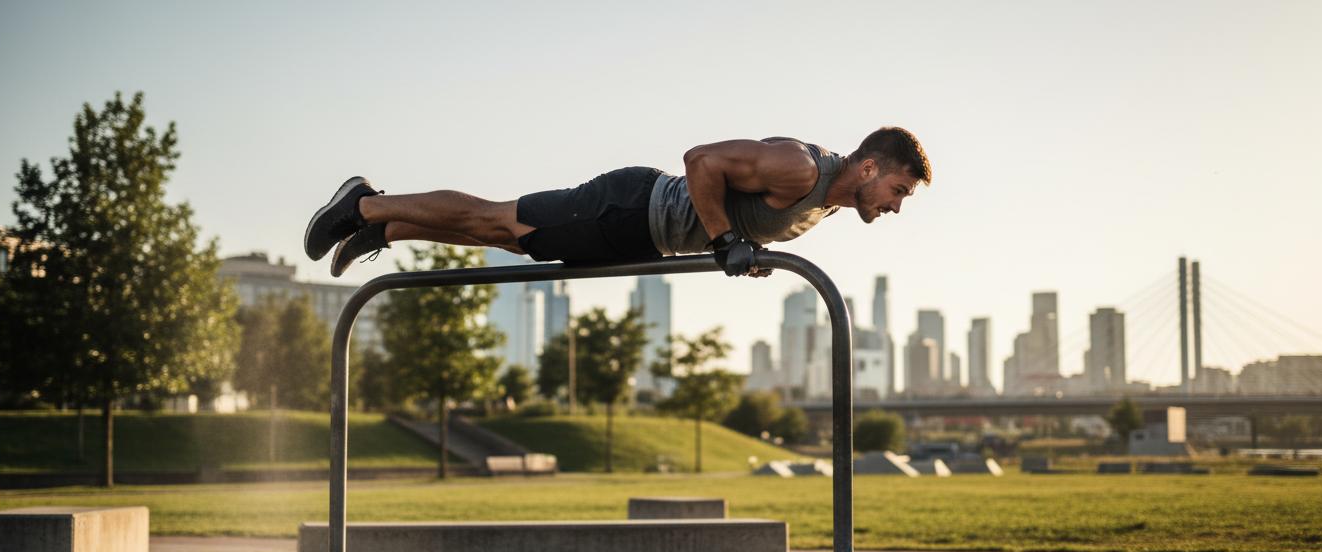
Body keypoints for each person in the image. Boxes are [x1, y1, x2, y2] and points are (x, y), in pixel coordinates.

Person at [304, 126, 930, 279]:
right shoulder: (800, 167)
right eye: (898, 190)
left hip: (640, 234)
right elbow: (700, 161)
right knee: (494, 218)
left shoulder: (827, 204)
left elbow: (741, 219)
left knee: (507, 239)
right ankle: (364, 205)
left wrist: (746, 248)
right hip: (629, 207)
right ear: (870, 166)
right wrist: (722, 243)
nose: (897, 206)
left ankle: (387, 232)